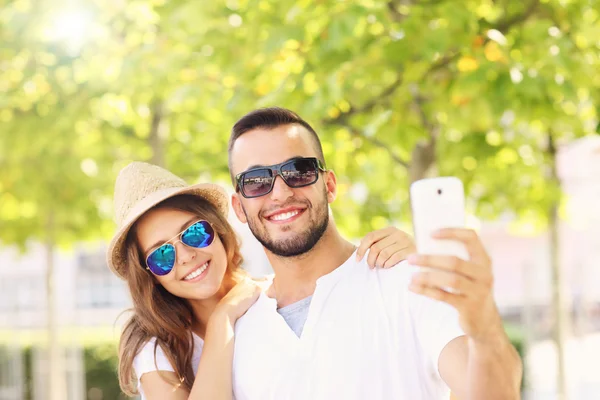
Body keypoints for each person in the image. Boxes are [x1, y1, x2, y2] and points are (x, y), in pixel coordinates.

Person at [227, 107, 523, 400]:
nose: (279, 192)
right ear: (239, 207)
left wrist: (484, 324)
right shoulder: (237, 329)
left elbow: (494, 394)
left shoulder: (409, 282)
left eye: (298, 171)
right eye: (256, 181)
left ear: (329, 186)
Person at [106, 161, 416, 399]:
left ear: (218, 229)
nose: (185, 255)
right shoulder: (155, 347)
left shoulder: (274, 297)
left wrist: (407, 252)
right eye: (162, 256)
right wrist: (221, 321)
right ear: (150, 276)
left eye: (194, 233)